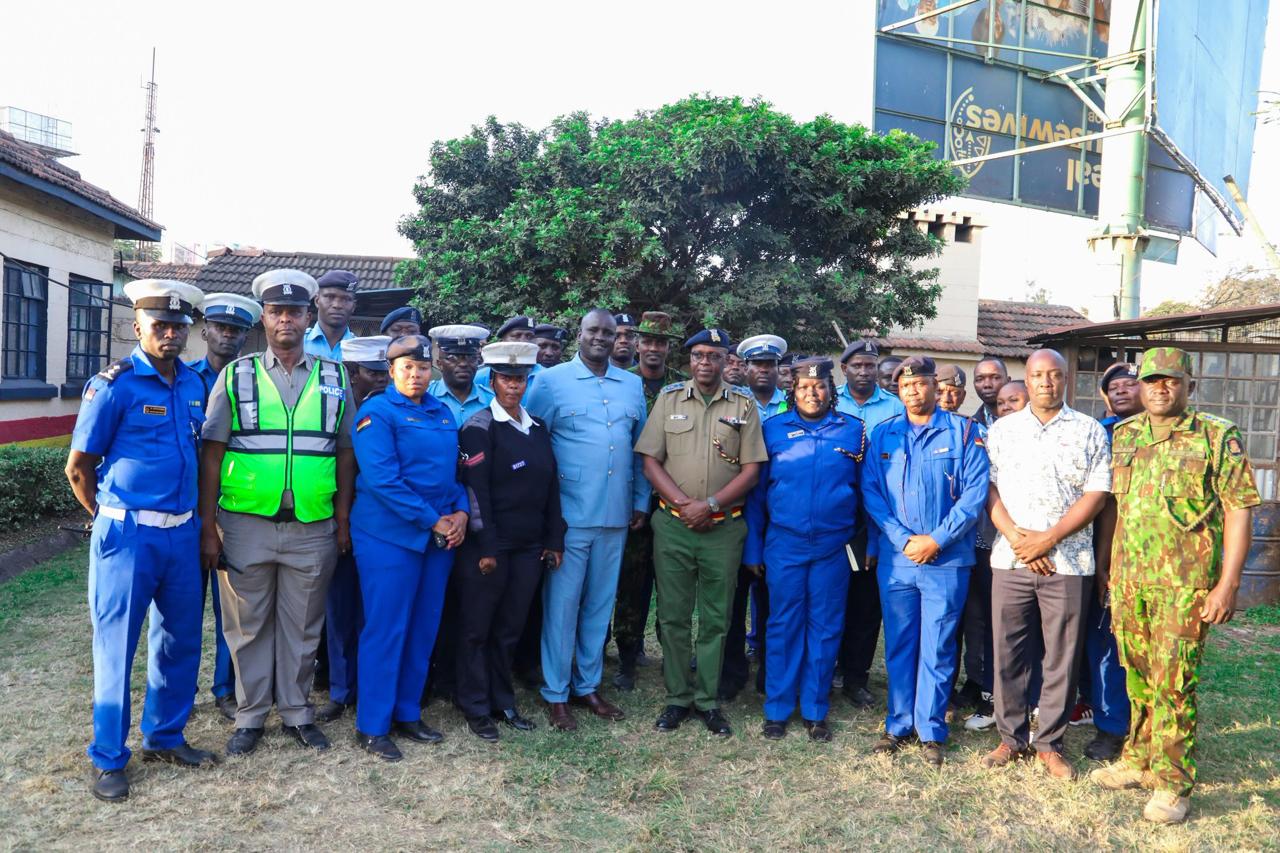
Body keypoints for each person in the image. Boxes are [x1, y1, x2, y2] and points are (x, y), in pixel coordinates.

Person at [1091, 347, 1259, 824]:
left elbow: (1239, 509)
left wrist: (1228, 584)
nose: (1160, 388)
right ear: (1139, 385)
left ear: (1189, 384)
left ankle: (1172, 783)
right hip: (1129, 583)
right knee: (1137, 675)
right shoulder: (1124, 435)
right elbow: (1113, 510)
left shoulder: (1214, 436)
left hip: (1184, 588)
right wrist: (1105, 568)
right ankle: (1138, 758)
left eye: (1171, 380)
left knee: (1175, 683)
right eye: (1151, 381)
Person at [65, 279, 216, 802]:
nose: (170, 333)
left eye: (179, 325)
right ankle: (108, 758)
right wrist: (110, 517)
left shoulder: (196, 384)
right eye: (160, 325)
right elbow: (79, 468)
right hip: (128, 534)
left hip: (181, 534)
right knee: (116, 648)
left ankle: (165, 736)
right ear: (138, 328)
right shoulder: (114, 385)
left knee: (178, 642)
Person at [199, 269, 356, 756]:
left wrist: (343, 520)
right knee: (246, 627)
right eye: (276, 311)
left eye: (294, 312)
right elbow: (211, 453)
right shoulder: (237, 374)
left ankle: (296, 712)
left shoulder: (334, 376)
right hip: (246, 524)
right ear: (263, 319)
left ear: (308, 318)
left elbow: (347, 451)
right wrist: (209, 526)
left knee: (304, 625)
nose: (285, 319)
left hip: (313, 524)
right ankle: (249, 717)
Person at [982, 349, 1110, 780]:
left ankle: (1050, 744)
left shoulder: (1090, 430)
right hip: (1011, 559)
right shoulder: (1003, 429)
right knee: (1009, 653)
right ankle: (1010, 738)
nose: (1046, 383)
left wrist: (1049, 539)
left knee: (1062, 657)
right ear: (1027, 378)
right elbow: (990, 488)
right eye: (1038, 375)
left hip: (1068, 563)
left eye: (1054, 376)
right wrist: (1019, 540)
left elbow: (1097, 494)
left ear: (1066, 379)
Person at [635, 328, 767, 737]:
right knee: (673, 617)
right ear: (689, 360)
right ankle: (677, 697)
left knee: (716, 618)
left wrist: (709, 506)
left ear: (728, 361)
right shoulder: (669, 399)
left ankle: (707, 700)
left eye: (713, 355)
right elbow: (650, 461)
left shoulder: (744, 405)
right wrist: (683, 505)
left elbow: (752, 469)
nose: (704, 363)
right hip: (673, 526)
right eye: (697, 356)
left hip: (724, 529)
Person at [861, 357, 989, 768]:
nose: (913, 391)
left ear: (936, 386)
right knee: (899, 643)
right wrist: (902, 540)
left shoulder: (967, 433)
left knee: (938, 646)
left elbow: (973, 496)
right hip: (898, 562)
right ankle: (898, 724)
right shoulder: (883, 435)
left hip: (946, 560)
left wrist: (936, 539)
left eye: (920, 383)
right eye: (905, 385)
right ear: (898, 391)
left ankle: (931, 728)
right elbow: (873, 496)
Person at [526, 309, 648, 730]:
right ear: (580, 334)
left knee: (598, 605)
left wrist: (641, 501)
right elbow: (532, 443)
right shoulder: (550, 380)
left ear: (617, 339)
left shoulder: (631, 385)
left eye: (608, 333)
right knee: (562, 606)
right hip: (569, 515)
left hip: (615, 514)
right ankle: (556, 692)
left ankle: (587, 685)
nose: (600, 338)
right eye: (593, 330)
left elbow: (638, 448)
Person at [348, 334, 468, 760]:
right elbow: (383, 481)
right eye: (406, 368)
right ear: (391, 371)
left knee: (423, 626)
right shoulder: (376, 412)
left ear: (431, 369)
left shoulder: (440, 412)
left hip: (436, 539)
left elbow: (452, 475)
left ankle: (407, 711)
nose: (415, 375)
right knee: (387, 628)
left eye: (422, 367)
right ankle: (373, 725)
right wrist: (435, 519)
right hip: (388, 538)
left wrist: (461, 514)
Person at [746, 357, 865, 741]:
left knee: (826, 627)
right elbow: (757, 495)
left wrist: (870, 545)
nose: (811, 394)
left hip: (833, 546)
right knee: (782, 625)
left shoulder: (854, 431)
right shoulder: (773, 429)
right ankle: (778, 708)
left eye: (819, 387)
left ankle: (815, 709)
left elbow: (868, 494)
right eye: (803, 388)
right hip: (785, 543)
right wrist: (753, 549)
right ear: (791, 392)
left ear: (832, 391)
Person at [455, 341, 567, 741]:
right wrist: (486, 549)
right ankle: (475, 705)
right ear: (493, 380)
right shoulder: (478, 427)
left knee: (509, 629)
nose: (514, 386)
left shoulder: (537, 427)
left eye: (520, 379)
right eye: (506, 378)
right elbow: (475, 494)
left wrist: (554, 539)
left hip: (529, 547)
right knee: (476, 629)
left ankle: (503, 701)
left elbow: (552, 487)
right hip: (491, 548)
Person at [187, 292, 260, 722]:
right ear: (205, 331)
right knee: (182, 609)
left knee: (229, 610)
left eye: (236, 330)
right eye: (221, 327)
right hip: (184, 512)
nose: (228, 335)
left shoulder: (250, 382)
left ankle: (225, 690)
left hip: (230, 512)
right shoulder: (182, 378)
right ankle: (182, 690)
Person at [315, 336, 392, 724]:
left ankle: (370, 688)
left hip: (381, 527)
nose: (381, 380)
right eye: (372, 372)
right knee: (339, 610)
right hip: (338, 523)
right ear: (350, 372)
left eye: (384, 372)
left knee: (374, 613)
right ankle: (341, 691)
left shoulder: (393, 410)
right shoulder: (331, 411)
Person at [612, 311, 686, 691]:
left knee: (674, 581)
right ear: (637, 344)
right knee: (632, 582)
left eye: (661, 342)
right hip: (630, 501)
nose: (654, 348)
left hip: (674, 500)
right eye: (648, 341)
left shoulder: (682, 387)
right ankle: (627, 654)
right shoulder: (620, 384)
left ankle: (673, 652)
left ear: (669, 348)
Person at [1075, 361, 1142, 760]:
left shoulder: (1171, 435)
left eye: (1130, 385)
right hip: (1105, 551)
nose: (1121, 391)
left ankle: (1151, 727)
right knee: (1104, 643)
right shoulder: (1097, 435)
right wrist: (1102, 563)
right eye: (1113, 387)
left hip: (1161, 562)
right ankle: (1112, 726)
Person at [834, 340, 906, 707]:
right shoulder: (830, 400)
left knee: (865, 602)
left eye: (870, 365)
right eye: (857, 365)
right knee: (832, 596)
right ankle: (830, 668)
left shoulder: (895, 407)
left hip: (875, 515)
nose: (864, 371)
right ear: (844, 368)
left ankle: (856, 677)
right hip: (835, 511)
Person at [720, 333, 788, 702]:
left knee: (772, 600)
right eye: (757, 364)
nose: (763, 370)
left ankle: (767, 667)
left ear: (779, 369)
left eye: (770, 365)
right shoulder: (730, 403)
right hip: (733, 512)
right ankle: (731, 672)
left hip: (776, 518)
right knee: (731, 598)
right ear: (744, 368)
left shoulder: (789, 407)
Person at [427, 325, 494, 426]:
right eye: (453, 357)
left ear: (478, 362)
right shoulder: (426, 397)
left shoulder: (491, 400)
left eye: (471, 357)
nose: (463, 364)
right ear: (439, 364)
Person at [475, 315, 542, 390]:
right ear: (502, 342)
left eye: (530, 337)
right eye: (516, 336)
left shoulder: (545, 376)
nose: (523, 341)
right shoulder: (480, 377)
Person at [304, 270, 358, 361]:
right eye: (330, 297)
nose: (337, 305)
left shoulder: (360, 349)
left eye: (345, 299)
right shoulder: (298, 343)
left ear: (353, 306)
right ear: (317, 301)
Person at [972, 358, 1010, 426]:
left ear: (1008, 381)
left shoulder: (1028, 418)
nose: (987, 385)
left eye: (995, 378)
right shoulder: (970, 426)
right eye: (979, 379)